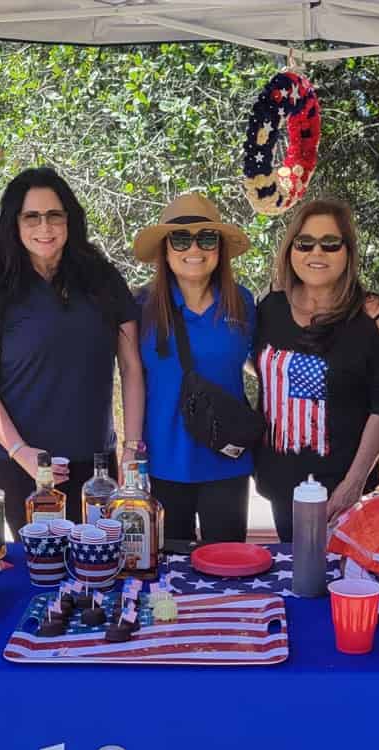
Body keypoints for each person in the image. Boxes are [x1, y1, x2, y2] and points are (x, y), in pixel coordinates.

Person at [0, 166, 144, 536]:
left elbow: (131, 368)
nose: (44, 227)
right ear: (14, 223)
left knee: (98, 559)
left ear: (69, 220)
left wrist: (131, 449)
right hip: (21, 465)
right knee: (38, 566)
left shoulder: (104, 281)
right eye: (31, 216)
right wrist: (21, 452)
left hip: (95, 466)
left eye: (54, 215)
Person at [254, 198, 379, 542]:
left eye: (330, 243)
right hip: (278, 481)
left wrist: (353, 484)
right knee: (294, 569)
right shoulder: (270, 307)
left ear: (348, 251)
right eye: (304, 243)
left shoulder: (373, 318)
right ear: (290, 249)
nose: (316, 252)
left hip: (341, 491)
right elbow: (257, 364)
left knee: (338, 571)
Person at [132, 193, 256, 543]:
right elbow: (128, 375)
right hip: (162, 463)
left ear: (220, 247)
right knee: (166, 568)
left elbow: (264, 362)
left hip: (227, 461)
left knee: (226, 564)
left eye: (207, 238)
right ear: (165, 248)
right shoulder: (140, 307)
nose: (195, 249)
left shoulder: (242, 302)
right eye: (181, 239)